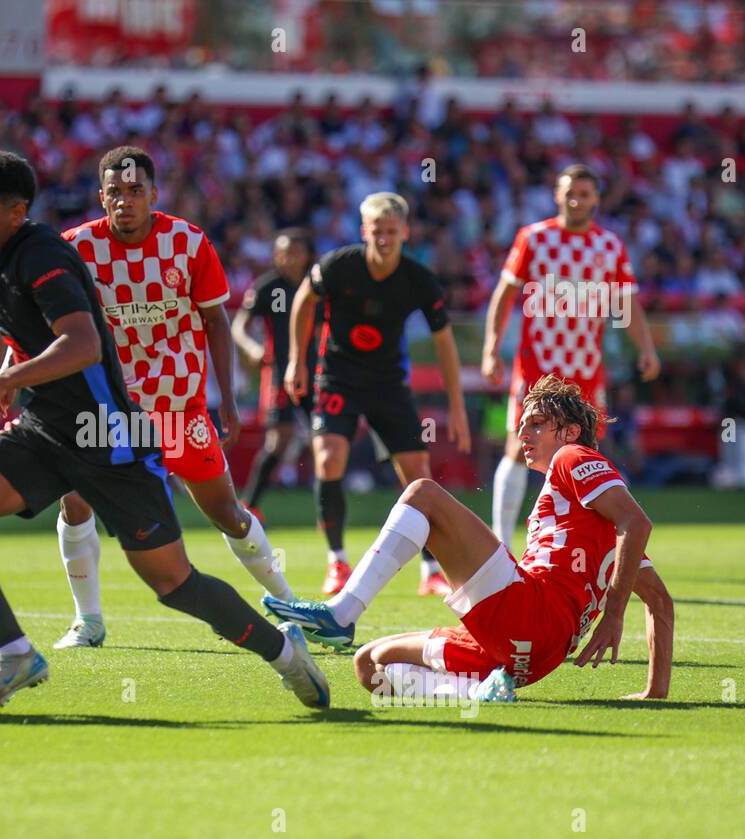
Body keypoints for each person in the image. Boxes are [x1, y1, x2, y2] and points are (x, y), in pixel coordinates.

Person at [0, 150, 328, 712]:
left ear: (16, 212)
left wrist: (3, 380)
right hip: (44, 433)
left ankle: (285, 652)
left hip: (109, 437)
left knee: (175, 585)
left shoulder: (47, 253)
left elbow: (83, 345)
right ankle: (22, 652)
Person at [264, 376, 675, 703]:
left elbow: (636, 523)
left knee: (423, 494)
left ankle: (341, 615)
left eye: (535, 424)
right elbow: (660, 600)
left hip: (530, 612)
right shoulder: (598, 527)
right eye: (521, 425)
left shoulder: (574, 457)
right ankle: (480, 693)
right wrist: (655, 690)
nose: (523, 434)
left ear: (569, 432)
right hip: (529, 659)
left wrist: (615, 615)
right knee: (370, 667)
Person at [52, 146, 297, 649]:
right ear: (101, 197)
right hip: (108, 410)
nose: (125, 202)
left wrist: (227, 398)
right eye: (115, 193)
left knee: (227, 513)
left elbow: (216, 320)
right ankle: (88, 620)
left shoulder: (187, 242)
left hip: (178, 408)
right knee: (74, 501)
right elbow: (49, 320)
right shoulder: (75, 249)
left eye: (135, 191)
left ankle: (292, 607)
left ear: (153, 194)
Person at [285, 192, 471, 597]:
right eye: (377, 231)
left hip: (388, 384)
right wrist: (296, 361)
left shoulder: (418, 279)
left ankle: (430, 569)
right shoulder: (339, 266)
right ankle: (337, 561)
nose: (384, 239)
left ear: (405, 232)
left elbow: (444, 342)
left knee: (417, 475)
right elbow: (303, 298)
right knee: (328, 458)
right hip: (337, 377)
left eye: (392, 231)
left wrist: (456, 404)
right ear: (363, 230)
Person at [483, 164, 661, 548]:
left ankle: (584, 543)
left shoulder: (610, 245)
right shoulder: (534, 238)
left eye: (585, 192)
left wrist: (645, 348)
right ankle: (499, 545)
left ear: (597, 198)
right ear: (556, 194)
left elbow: (626, 302)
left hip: (584, 365)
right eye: (570, 191)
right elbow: (505, 294)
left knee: (587, 449)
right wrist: (491, 348)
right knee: (518, 444)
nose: (576, 199)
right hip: (537, 364)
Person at [232, 229, 319, 514]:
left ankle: (328, 508)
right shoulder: (268, 287)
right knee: (278, 440)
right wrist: (252, 349)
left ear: (307, 255)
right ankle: (250, 507)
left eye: (293, 252)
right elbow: (239, 327)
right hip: (281, 374)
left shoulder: (318, 286)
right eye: (281, 253)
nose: (287, 259)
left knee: (327, 439)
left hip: (317, 374)